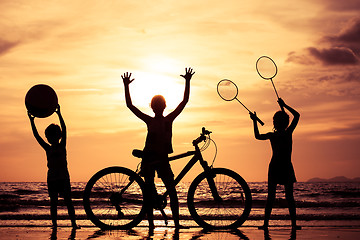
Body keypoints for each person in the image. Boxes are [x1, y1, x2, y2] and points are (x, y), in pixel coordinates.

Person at [122, 68, 195, 229]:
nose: (160, 106)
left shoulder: (166, 120)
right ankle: (158, 225)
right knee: (156, 192)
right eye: (159, 104)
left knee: (166, 191)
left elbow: (184, 102)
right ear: (158, 107)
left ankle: (165, 225)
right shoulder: (159, 120)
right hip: (149, 159)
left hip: (161, 159)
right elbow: (130, 105)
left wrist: (187, 81)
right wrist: (126, 86)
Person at [250, 98, 301, 230]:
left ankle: (266, 225)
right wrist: (284, 106)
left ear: (275, 122)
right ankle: (294, 225)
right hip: (285, 166)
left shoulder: (272, 135)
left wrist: (254, 121)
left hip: (275, 167)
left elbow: (257, 135)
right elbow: (297, 115)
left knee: (271, 197)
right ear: (285, 122)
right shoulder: (288, 133)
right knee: (289, 197)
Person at [28, 105, 79, 229]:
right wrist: (32, 121)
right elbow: (36, 136)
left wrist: (59, 114)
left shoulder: (62, 146)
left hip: (63, 178)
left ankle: (74, 224)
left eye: (54, 135)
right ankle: (55, 225)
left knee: (68, 202)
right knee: (54, 203)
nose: (51, 138)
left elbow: (65, 129)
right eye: (49, 136)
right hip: (52, 179)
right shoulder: (48, 148)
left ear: (58, 136)